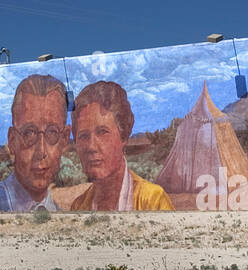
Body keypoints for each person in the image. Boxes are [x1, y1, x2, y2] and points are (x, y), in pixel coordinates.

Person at [0, 73, 67, 212]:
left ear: (63, 140)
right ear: (12, 141)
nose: (41, 151)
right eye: (29, 132)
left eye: (52, 132)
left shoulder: (60, 214)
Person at [69, 80, 173, 211]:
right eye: (83, 136)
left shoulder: (152, 201)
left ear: (123, 136)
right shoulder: (79, 206)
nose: (91, 147)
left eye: (102, 132)